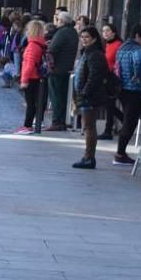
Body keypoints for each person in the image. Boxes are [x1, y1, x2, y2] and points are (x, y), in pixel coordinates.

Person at [72, 26, 110, 169]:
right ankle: (88, 156)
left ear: (94, 38)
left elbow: (95, 76)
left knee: (89, 127)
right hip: (85, 95)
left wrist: (85, 93)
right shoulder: (87, 53)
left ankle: (89, 157)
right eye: (82, 37)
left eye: (87, 37)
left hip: (90, 96)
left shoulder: (95, 54)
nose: (84, 40)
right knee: (87, 126)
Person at [113, 25, 141, 165]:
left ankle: (120, 152)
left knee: (127, 118)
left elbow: (117, 65)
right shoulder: (137, 49)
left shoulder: (122, 48)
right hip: (135, 89)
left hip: (122, 88)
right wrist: (139, 76)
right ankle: (120, 153)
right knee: (131, 121)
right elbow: (139, 63)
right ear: (137, 36)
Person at [45, 12, 78, 131]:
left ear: (62, 21)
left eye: (57, 20)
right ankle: (61, 120)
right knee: (62, 96)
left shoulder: (62, 32)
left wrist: (48, 48)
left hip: (57, 69)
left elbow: (53, 49)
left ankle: (57, 121)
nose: (56, 22)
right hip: (66, 68)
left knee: (56, 96)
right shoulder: (73, 32)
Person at [16, 20, 47, 135]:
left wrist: (24, 80)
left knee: (30, 103)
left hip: (31, 77)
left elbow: (29, 64)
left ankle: (27, 125)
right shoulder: (40, 44)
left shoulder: (32, 46)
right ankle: (29, 124)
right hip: (36, 76)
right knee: (33, 102)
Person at [98, 23, 122, 139]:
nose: (105, 33)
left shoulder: (118, 45)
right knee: (107, 104)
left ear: (114, 32)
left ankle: (108, 130)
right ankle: (120, 121)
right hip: (105, 77)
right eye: (103, 31)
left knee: (109, 104)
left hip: (113, 78)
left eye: (107, 30)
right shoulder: (105, 45)